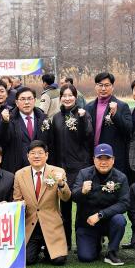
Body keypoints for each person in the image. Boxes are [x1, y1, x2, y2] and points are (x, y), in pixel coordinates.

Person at [48, 83, 93, 250]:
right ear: (60, 98)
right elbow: (53, 144)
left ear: (76, 97)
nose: (67, 98)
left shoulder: (83, 114)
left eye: (70, 95)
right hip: (62, 169)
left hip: (80, 169)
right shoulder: (56, 118)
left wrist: (81, 119)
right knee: (64, 209)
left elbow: (87, 137)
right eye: (64, 95)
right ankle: (65, 242)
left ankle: (84, 242)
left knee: (82, 207)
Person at [13, 140, 71, 266]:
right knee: (27, 260)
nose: (36, 156)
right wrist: (20, 205)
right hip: (31, 224)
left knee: (59, 260)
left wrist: (61, 184)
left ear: (47, 155)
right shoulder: (19, 174)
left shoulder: (58, 171)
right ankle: (39, 246)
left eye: (40, 153)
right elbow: (17, 199)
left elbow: (66, 197)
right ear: (28, 156)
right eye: (33, 153)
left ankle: (48, 249)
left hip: (51, 223)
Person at [71, 144, 130, 265]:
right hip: (87, 223)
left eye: (107, 158)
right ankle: (96, 242)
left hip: (109, 221)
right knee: (85, 257)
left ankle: (112, 252)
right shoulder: (83, 174)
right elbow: (73, 196)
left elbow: (124, 204)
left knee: (119, 220)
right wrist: (82, 192)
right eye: (100, 158)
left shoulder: (121, 177)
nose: (103, 162)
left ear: (113, 160)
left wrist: (100, 215)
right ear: (94, 159)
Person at [86, 72, 132, 173]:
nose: (103, 89)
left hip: (112, 157)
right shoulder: (88, 107)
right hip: (93, 156)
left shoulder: (122, 106)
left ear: (112, 87)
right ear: (95, 87)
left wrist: (115, 115)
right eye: (100, 85)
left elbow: (128, 130)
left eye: (107, 85)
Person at [0, 86, 50, 174]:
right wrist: (4, 123)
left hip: (39, 169)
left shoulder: (43, 119)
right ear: (17, 103)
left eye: (29, 99)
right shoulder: (8, 119)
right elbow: (1, 141)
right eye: (22, 99)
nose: (26, 102)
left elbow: (50, 143)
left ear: (35, 100)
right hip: (15, 168)